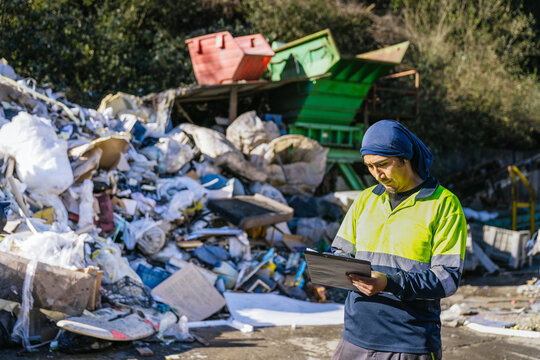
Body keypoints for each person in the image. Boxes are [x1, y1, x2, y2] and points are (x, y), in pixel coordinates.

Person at [331, 120, 467, 360]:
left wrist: (390, 283)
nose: (377, 174)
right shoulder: (365, 200)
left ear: (406, 158)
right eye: (370, 167)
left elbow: (447, 279)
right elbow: (339, 252)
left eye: (383, 165)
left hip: (409, 342)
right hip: (354, 338)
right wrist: (333, 266)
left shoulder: (444, 205)